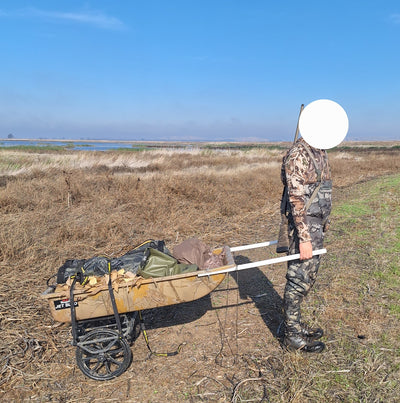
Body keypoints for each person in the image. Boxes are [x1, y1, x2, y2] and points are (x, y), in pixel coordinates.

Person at [280, 136, 332, 353]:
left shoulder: (320, 150)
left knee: (308, 278)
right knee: (298, 280)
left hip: (316, 224)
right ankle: (291, 337)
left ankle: (297, 326)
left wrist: (324, 221)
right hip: (305, 227)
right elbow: (296, 200)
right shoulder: (299, 154)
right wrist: (304, 238)